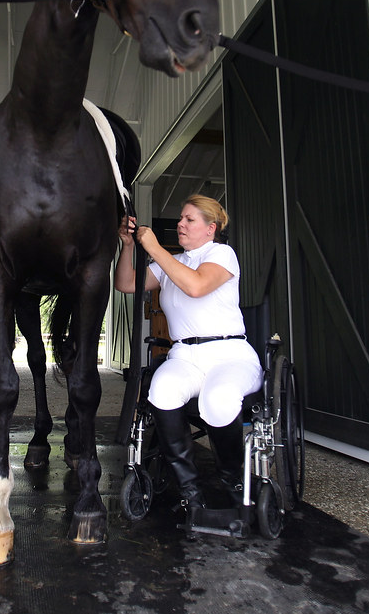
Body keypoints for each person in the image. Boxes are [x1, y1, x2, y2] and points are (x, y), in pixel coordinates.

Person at [115, 194, 262, 511]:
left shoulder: (222, 254)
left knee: (220, 398)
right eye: (181, 218)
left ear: (211, 228)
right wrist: (128, 245)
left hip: (229, 352)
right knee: (162, 390)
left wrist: (154, 247)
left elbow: (196, 286)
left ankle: (233, 480)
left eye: (189, 220)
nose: (180, 224)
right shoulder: (173, 264)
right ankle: (191, 492)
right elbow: (126, 284)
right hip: (184, 355)